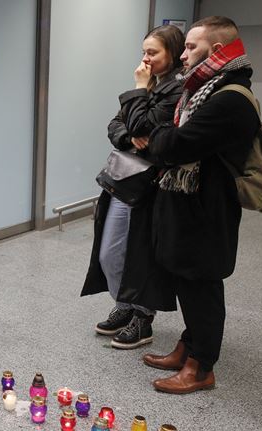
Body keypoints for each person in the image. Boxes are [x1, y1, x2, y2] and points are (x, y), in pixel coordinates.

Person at [140, 16, 259, 394]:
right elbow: (170, 143)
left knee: (202, 286)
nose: (184, 54)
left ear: (218, 50)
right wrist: (164, 138)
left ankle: (201, 367)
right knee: (188, 282)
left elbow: (169, 148)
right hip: (190, 205)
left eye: (192, 47)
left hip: (208, 212)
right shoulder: (203, 89)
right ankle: (187, 348)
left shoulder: (228, 98)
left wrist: (156, 130)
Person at [81, 25, 185, 349]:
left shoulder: (177, 90)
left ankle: (143, 318)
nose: (145, 59)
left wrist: (139, 93)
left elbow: (143, 125)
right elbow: (116, 125)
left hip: (151, 186)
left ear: (173, 53)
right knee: (109, 253)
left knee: (141, 255)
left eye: (153, 52)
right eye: (143, 52)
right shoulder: (149, 86)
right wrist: (131, 137)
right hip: (125, 180)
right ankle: (124, 306)